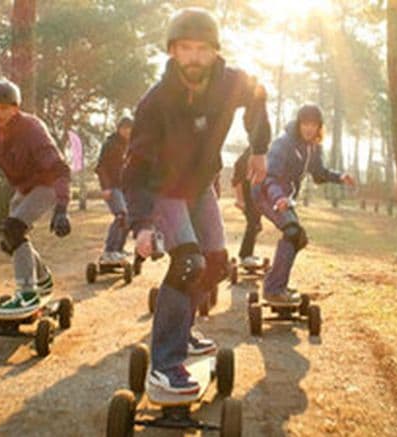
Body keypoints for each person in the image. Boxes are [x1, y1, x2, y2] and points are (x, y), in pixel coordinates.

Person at [123, 7, 271, 396]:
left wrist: (259, 147)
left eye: (202, 49)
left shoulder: (229, 82)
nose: (194, 57)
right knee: (188, 262)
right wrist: (140, 224)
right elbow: (135, 169)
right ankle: (165, 364)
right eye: (185, 48)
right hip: (165, 190)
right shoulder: (154, 102)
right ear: (172, 51)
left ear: (214, 52)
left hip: (201, 185)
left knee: (216, 263)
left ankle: (183, 331)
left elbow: (258, 94)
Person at [0, 79, 72, 318]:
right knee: (10, 240)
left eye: (4, 108)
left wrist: (62, 207)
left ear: (15, 108)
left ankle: (27, 293)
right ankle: (43, 279)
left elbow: (60, 169)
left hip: (47, 184)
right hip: (23, 188)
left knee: (13, 229)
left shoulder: (32, 128)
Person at [252, 104, 355, 303]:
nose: (309, 128)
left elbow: (319, 174)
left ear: (319, 127)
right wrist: (278, 198)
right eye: (305, 124)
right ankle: (273, 289)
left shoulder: (313, 147)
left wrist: (340, 177)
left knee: (299, 238)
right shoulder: (283, 144)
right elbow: (269, 177)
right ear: (299, 124)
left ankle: (276, 283)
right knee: (292, 232)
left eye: (313, 124)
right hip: (266, 193)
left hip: (284, 198)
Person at [95, 116, 134, 263]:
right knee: (120, 215)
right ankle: (109, 251)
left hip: (125, 188)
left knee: (128, 219)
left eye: (130, 129)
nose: (128, 131)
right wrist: (105, 187)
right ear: (119, 129)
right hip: (112, 187)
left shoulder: (130, 146)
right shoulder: (110, 144)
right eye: (125, 128)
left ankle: (118, 249)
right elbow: (101, 167)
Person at [231, 148, 264, 268]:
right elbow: (237, 181)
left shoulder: (261, 153)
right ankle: (245, 255)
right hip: (247, 197)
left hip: (256, 198)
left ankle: (248, 254)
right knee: (253, 224)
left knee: (256, 226)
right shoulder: (244, 158)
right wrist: (240, 200)